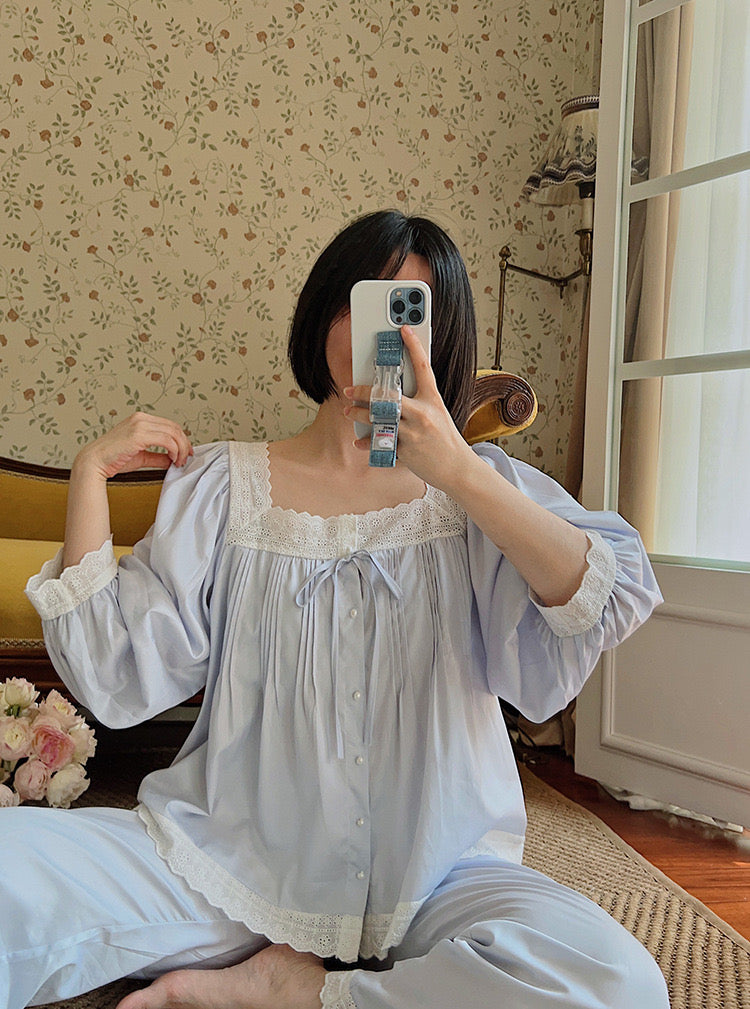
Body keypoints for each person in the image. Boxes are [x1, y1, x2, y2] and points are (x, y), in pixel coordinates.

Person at [6, 210, 669, 1009]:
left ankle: (294, 990)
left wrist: (460, 471)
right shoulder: (223, 487)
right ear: (324, 312)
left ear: (440, 336)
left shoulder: (481, 490)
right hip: (224, 862)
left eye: (410, 310)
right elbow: (117, 673)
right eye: (366, 301)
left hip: (442, 875)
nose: (384, 332)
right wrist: (89, 472)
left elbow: (608, 593)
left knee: (617, 981)